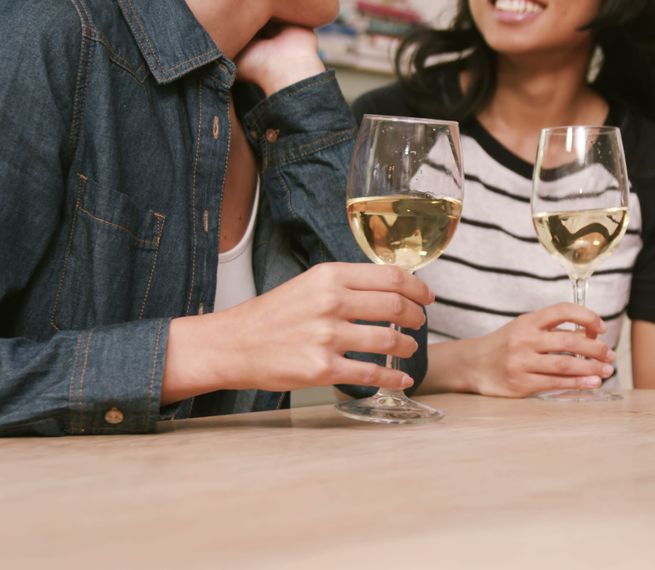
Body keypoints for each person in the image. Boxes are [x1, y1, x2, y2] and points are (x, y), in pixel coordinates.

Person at [0, 0, 432, 436]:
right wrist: (209, 350)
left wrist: (297, 81)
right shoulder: (44, 33)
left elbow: (393, 365)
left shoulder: (260, 93)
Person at [353, 0, 655, 397]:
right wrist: (475, 363)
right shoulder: (393, 124)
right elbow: (355, 374)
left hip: (583, 451)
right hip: (416, 453)